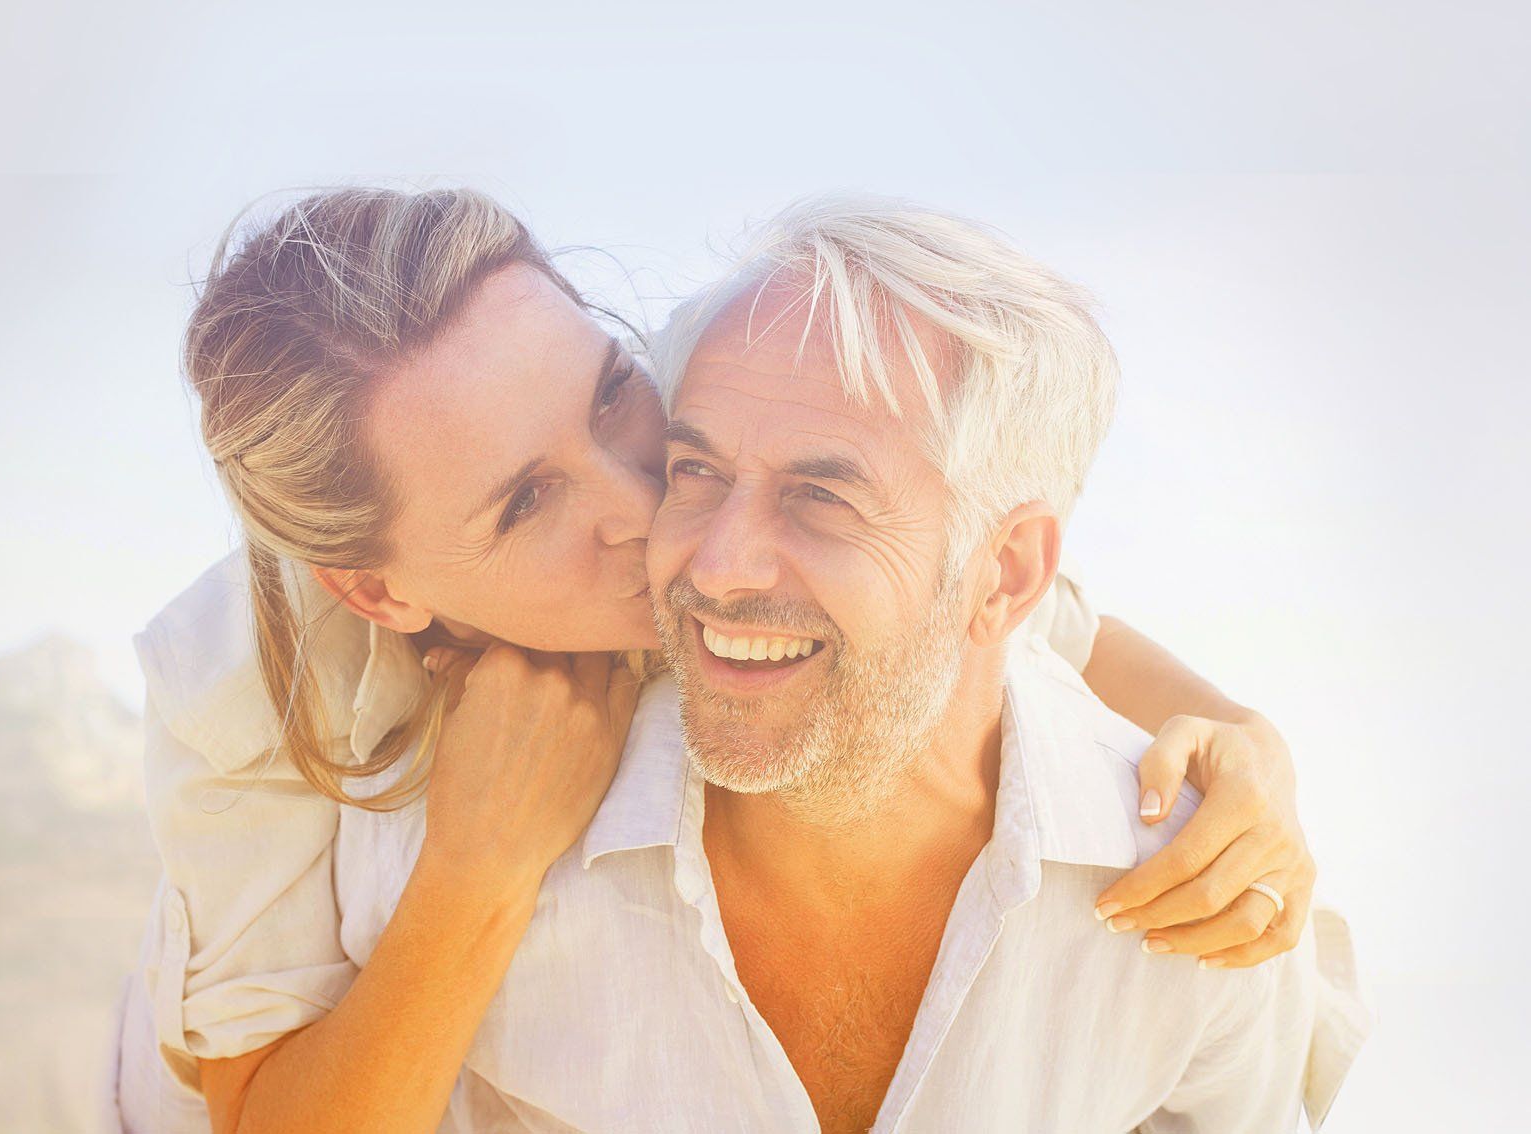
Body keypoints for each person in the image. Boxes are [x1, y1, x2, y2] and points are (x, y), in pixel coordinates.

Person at [110, 188, 1341, 1133]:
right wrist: (480, 867)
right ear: (379, 589)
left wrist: (1254, 755)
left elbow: (1022, 611)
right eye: (528, 500)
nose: (649, 507)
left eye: (609, 399)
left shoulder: (712, 433)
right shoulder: (251, 688)